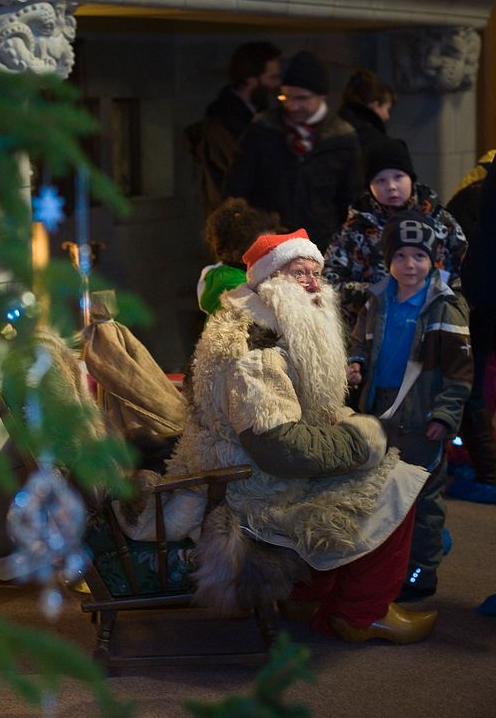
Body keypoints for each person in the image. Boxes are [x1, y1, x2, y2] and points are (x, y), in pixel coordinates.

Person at [123, 228, 435, 643]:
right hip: (248, 491)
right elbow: (280, 446)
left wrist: (349, 427)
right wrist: (361, 441)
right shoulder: (252, 345)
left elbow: (312, 412)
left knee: (380, 465)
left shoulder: (267, 325)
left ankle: (308, 597)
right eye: (298, 273)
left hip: (249, 473)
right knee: (398, 482)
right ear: (268, 282)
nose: (312, 283)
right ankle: (362, 613)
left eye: (316, 273)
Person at [347, 212, 473, 600]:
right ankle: (384, 566)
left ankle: (422, 569)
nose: (409, 265)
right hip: (380, 411)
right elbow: (359, 341)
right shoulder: (378, 299)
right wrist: (355, 362)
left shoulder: (445, 307)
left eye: (418, 256)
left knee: (423, 494)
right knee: (381, 490)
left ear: (433, 260)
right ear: (388, 261)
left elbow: (459, 372)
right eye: (400, 256)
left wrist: (446, 415)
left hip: (423, 414)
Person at [324, 137, 467, 334]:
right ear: (369, 186)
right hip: (372, 331)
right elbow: (330, 282)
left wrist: (442, 296)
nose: (391, 186)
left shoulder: (440, 221)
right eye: (380, 180)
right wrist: (379, 293)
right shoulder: (355, 228)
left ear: (411, 177)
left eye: (398, 177)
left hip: (434, 328)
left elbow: (466, 271)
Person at [222, 50, 362, 252]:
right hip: (268, 240)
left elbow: (350, 198)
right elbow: (237, 185)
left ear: (321, 96)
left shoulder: (342, 137)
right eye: (285, 96)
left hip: (319, 244)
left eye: (302, 98)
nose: (292, 105)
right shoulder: (263, 129)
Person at [185, 42, 282, 214]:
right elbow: (246, 168)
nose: (276, 84)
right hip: (237, 218)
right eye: (271, 78)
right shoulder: (223, 121)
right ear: (251, 80)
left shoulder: (259, 114)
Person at [448, 154, 496, 493]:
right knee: (474, 386)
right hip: (482, 295)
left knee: (475, 385)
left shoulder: (474, 187)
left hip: (480, 293)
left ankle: (488, 473)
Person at [196, 197, 279, 314]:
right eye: (266, 250)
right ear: (240, 253)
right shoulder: (234, 286)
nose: (275, 254)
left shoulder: (223, 275)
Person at [338, 68, 396, 154]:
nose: (387, 116)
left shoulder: (333, 127)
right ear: (375, 105)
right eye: (387, 109)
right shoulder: (377, 142)